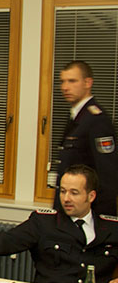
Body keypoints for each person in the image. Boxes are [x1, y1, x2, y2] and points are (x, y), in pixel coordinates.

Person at [55, 60, 117, 216]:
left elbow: (107, 175)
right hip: (70, 210)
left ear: (88, 83)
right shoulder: (76, 117)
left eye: (72, 81)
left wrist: (100, 221)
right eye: (62, 81)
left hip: (88, 215)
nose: (65, 87)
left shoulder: (97, 120)